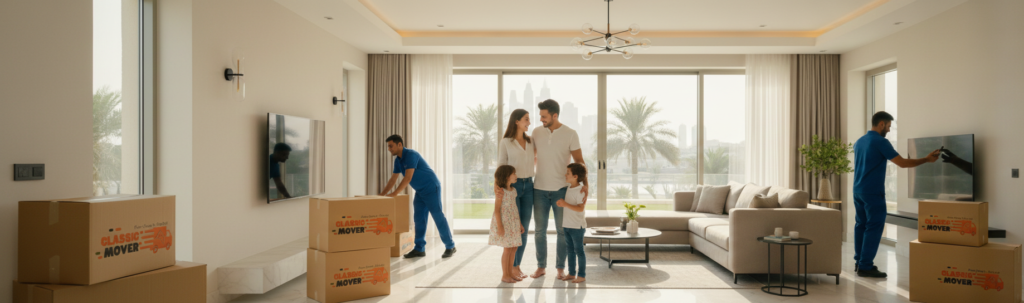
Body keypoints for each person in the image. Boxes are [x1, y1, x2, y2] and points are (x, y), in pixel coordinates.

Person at [853, 111, 940, 278]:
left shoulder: (859, 141)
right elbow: (902, 163)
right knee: (874, 226)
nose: (889, 130)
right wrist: (927, 159)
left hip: (858, 190)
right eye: (888, 126)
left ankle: (859, 262)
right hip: (873, 192)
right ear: (881, 124)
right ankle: (865, 266)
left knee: (861, 225)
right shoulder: (880, 141)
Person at [530, 99, 588, 280]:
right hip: (539, 189)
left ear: (555, 115)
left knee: (562, 231)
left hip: (561, 190)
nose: (541, 119)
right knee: (539, 231)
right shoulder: (536, 132)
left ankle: (560, 268)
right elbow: (530, 156)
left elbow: (579, 161)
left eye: (544, 116)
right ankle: (541, 267)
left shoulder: (570, 134)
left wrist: (585, 185)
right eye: (540, 116)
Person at [379, 134, 457, 258]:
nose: (389, 149)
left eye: (391, 146)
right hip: (420, 191)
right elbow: (393, 179)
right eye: (388, 146)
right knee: (419, 219)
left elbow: (408, 178)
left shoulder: (411, 155)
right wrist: (382, 195)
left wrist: (394, 194)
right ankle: (419, 249)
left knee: (437, 216)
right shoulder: (398, 160)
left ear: (399, 144)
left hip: (431, 187)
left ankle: (450, 246)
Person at [497, 109, 536, 280]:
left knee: (523, 229)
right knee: (513, 228)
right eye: (526, 119)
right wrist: (498, 188)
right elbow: (501, 166)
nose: (529, 122)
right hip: (513, 186)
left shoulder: (531, 141)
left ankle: (516, 266)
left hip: (530, 186)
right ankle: (510, 269)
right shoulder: (506, 142)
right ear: (516, 121)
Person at [490, 165, 525, 283]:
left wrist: (520, 224)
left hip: (513, 223)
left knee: (514, 247)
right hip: (505, 223)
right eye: (513, 173)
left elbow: (515, 208)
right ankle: (505, 275)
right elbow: (497, 210)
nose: (516, 176)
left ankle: (510, 273)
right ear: (506, 176)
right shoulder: (501, 192)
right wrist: (500, 226)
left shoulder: (513, 190)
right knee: (507, 249)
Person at [556, 163, 587, 284]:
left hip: (577, 227)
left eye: (568, 173)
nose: (565, 175)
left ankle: (582, 275)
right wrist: (563, 204)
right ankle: (572, 273)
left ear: (575, 176)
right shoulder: (569, 187)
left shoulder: (580, 190)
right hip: (567, 225)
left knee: (579, 251)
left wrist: (565, 204)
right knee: (570, 251)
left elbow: (580, 208)